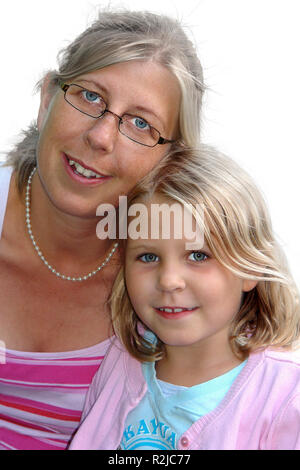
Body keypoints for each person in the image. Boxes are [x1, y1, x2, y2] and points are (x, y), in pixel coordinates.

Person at [0, 8, 204, 450]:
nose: (101, 137)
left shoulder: (169, 287)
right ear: (47, 97)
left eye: (140, 124)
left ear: (173, 161)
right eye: (90, 96)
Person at [69, 145, 300, 450]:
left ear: (249, 269)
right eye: (148, 256)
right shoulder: (119, 363)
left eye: (197, 255)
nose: (168, 280)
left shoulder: (285, 397)